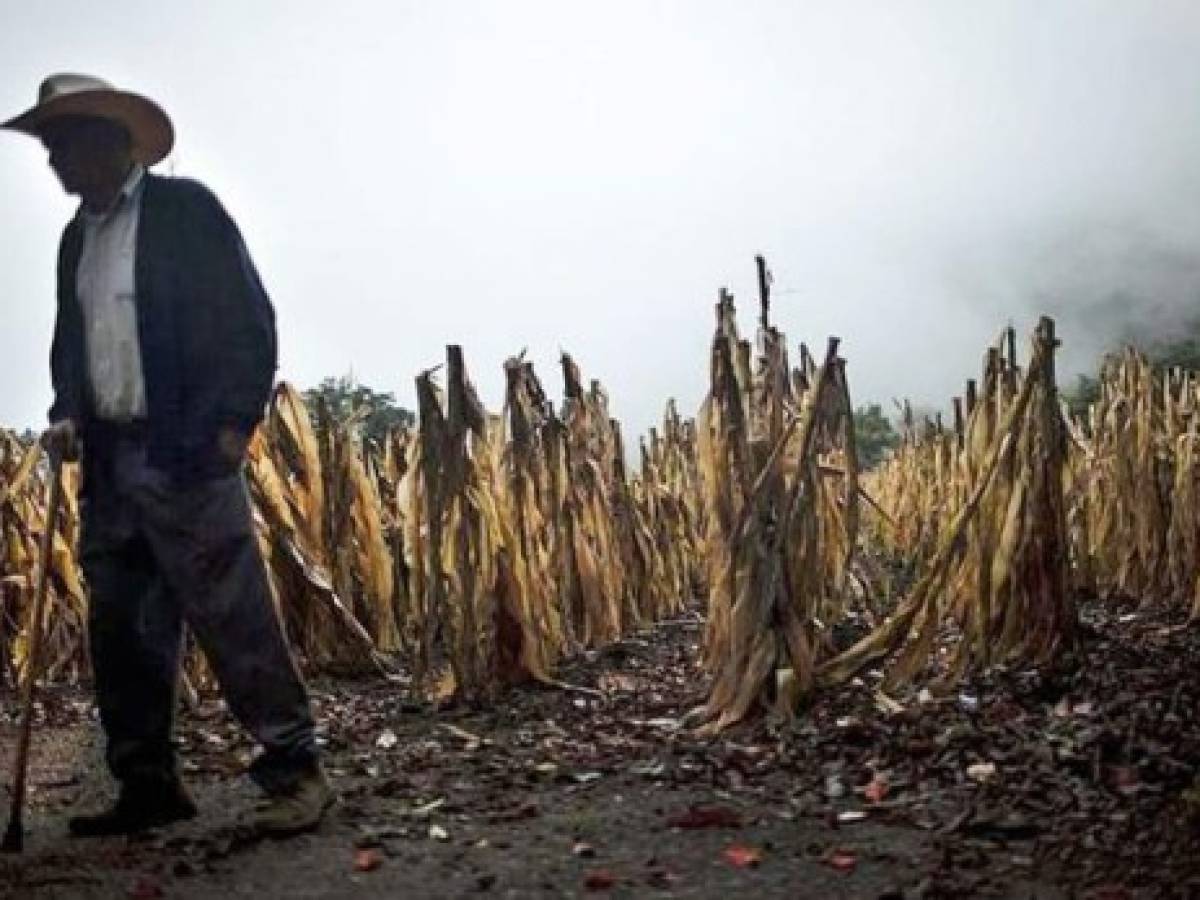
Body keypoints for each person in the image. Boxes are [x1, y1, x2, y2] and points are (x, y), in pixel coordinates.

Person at [2, 73, 333, 837]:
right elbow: (72, 348)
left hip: (185, 455)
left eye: (65, 145)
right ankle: (147, 785)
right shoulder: (75, 239)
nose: (53, 162)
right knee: (121, 629)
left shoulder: (188, 215)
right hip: (110, 465)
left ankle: (297, 770)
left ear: (111, 142)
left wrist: (232, 428)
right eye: (49, 148)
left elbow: (248, 320)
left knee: (232, 617)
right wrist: (65, 414)